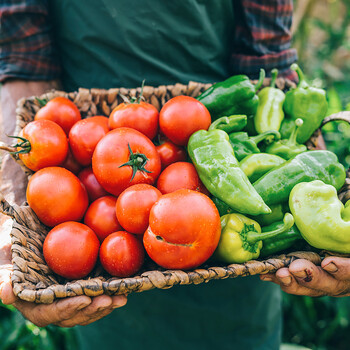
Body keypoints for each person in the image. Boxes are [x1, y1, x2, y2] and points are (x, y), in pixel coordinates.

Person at [1, 1, 350, 349]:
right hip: (101, 268)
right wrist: (11, 205)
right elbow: (24, 59)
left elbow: (266, 59)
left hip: (229, 240)